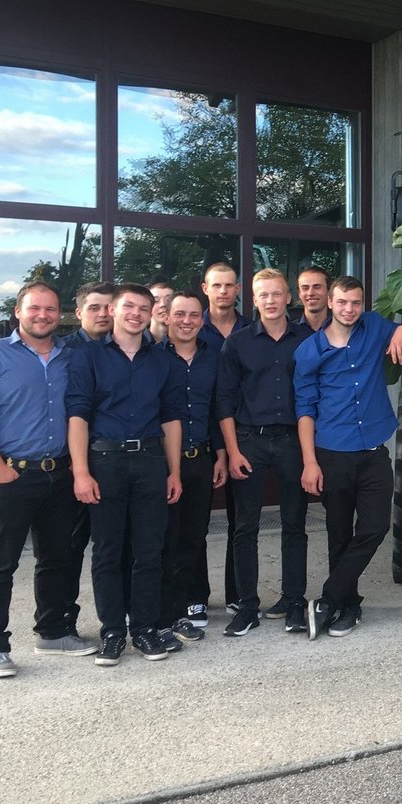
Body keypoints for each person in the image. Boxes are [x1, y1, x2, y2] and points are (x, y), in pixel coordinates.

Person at [0, 281, 96, 678]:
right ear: (18, 312)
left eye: (50, 309)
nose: (43, 315)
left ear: (60, 314)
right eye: (35, 308)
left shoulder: (71, 357)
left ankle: (52, 632)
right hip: (12, 475)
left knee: (56, 558)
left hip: (59, 474)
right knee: (0, 563)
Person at [296, 276, 402, 638]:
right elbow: (304, 409)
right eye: (342, 302)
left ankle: (327, 599)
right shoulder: (309, 351)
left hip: (373, 453)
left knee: (375, 526)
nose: (349, 309)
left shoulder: (374, 328)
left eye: (355, 303)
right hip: (332, 453)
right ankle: (348, 607)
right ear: (330, 303)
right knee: (338, 533)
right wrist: (310, 462)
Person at [67, 283, 186, 666]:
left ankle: (145, 629)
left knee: (149, 550)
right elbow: (78, 416)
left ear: (151, 314)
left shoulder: (162, 360)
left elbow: (171, 418)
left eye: (143, 308)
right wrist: (81, 472)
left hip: (150, 460)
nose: (136, 314)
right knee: (107, 551)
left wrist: (174, 471)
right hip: (105, 462)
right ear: (113, 310)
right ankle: (113, 632)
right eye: (129, 306)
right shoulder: (87, 356)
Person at [216, 268, 311, 637]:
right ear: (253, 300)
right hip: (249, 442)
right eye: (263, 295)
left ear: (288, 297)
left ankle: (294, 601)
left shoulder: (307, 340)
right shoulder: (237, 343)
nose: (271, 301)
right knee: (245, 527)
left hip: (292, 442)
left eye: (277, 293)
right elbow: (224, 401)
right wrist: (233, 451)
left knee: (294, 524)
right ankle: (247, 607)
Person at [157, 290, 227, 649]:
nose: (187, 321)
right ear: (167, 316)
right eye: (180, 314)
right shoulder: (153, 357)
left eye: (194, 315)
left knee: (195, 534)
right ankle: (166, 608)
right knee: (164, 536)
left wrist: (221, 455)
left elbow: (218, 410)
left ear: (203, 319)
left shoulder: (213, 358)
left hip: (201, 458)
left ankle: (192, 599)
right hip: (162, 462)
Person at [198, 261, 250, 625]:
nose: (223, 291)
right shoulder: (190, 327)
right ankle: (196, 596)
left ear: (238, 289)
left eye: (229, 285)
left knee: (240, 521)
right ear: (206, 289)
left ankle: (237, 593)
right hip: (201, 438)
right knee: (195, 525)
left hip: (242, 437)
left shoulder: (251, 329)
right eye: (217, 285)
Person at [62, 280, 113, 636]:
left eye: (109, 307)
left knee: (113, 544)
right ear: (79, 312)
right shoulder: (63, 352)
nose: (103, 314)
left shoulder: (127, 350)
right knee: (70, 545)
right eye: (94, 307)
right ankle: (63, 618)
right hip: (72, 463)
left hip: (113, 460)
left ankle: (120, 613)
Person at [295, 266, 331, 332]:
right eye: (305, 288)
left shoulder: (343, 330)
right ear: (299, 293)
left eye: (317, 287)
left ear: (328, 291)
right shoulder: (289, 332)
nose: (310, 293)